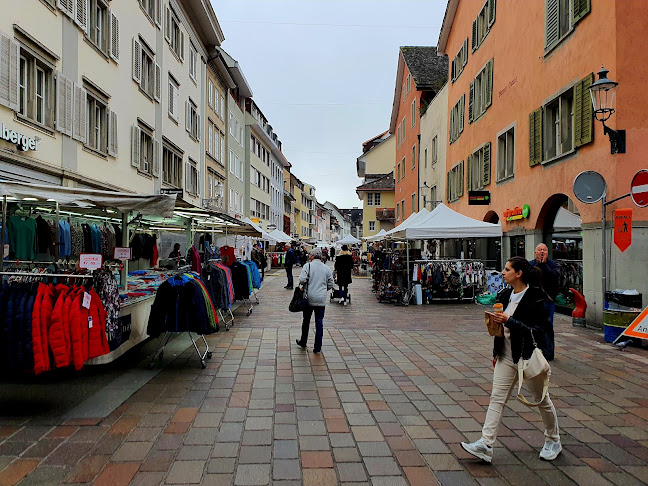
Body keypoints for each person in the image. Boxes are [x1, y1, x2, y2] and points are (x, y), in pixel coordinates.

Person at [461, 256, 561, 464]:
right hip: (506, 356)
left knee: (541, 399)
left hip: (526, 356)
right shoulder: (505, 294)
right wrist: (495, 352)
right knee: (497, 399)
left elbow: (539, 332)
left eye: (507, 269)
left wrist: (511, 321)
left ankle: (553, 440)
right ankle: (486, 444)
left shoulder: (536, 298)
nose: (503, 272)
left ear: (519, 274)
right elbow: (501, 330)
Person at [295, 248, 335, 354]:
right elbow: (331, 283)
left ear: (312, 256)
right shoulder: (326, 268)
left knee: (306, 320)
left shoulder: (307, 266)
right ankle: (317, 347)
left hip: (309, 297)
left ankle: (303, 341)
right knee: (319, 323)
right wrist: (323, 290)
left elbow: (302, 280)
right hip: (321, 298)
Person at [529, 243, 560, 361]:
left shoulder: (553, 265)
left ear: (548, 252)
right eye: (540, 250)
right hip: (533, 300)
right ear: (535, 252)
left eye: (544, 250)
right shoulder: (531, 264)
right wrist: (538, 265)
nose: (542, 252)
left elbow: (555, 276)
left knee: (547, 326)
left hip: (548, 300)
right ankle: (534, 350)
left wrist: (544, 265)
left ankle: (548, 352)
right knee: (533, 325)